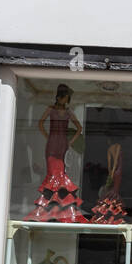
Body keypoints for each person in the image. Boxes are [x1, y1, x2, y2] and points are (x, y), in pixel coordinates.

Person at [29, 83, 88, 222]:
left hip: (61, 144)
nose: (66, 100)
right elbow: (40, 123)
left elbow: (79, 128)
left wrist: (70, 142)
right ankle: (51, 210)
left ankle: (59, 209)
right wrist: (47, 136)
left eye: (67, 98)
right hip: (52, 144)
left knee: (60, 174)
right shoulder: (51, 109)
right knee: (52, 173)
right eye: (65, 98)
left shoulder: (68, 112)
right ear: (60, 97)